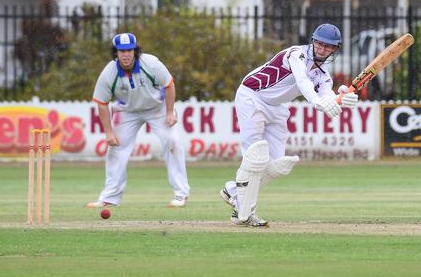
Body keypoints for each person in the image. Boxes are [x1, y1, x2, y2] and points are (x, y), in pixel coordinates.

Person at [220, 23, 359, 227]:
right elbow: (303, 82)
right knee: (254, 154)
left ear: (334, 49)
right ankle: (245, 211)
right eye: (320, 43)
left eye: (328, 46)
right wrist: (317, 101)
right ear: (313, 41)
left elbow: (326, 95)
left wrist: (341, 98)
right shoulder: (296, 54)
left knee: (276, 166)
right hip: (251, 97)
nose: (322, 49)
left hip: (276, 106)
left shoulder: (323, 74)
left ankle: (233, 190)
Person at [87, 32, 191, 208]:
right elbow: (102, 103)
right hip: (127, 111)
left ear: (135, 51)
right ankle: (110, 197)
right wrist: (109, 132)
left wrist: (170, 112)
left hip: (157, 107)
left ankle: (181, 194)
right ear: (116, 53)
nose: (126, 54)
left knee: (173, 142)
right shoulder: (109, 73)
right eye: (122, 51)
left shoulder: (150, 64)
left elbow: (169, 84)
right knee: (116, 150)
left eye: (129, 50)